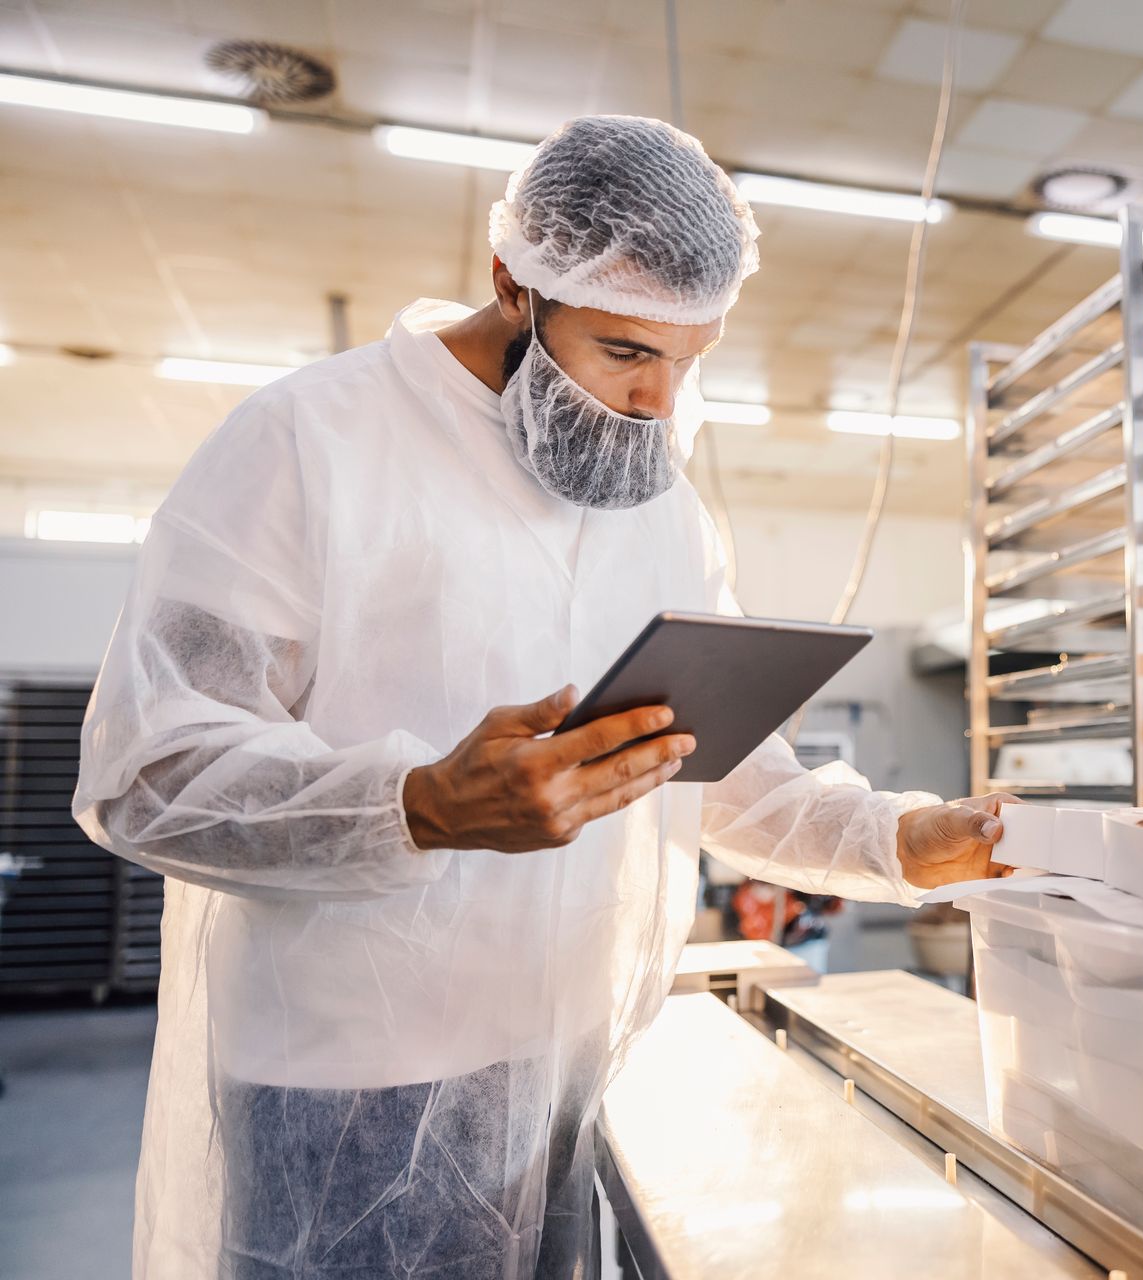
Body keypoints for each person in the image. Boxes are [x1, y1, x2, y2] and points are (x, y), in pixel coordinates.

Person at [73, 115, 1013, 1280]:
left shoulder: (659, 506)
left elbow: (697, 760)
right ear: (514, 282)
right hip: (350, 1085)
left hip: (571, 1066)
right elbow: (148, 772)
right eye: (626, 351)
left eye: (689, 357)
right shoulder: (311, 441)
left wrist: (897, 838)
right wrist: (418, 801)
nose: (660, 401)